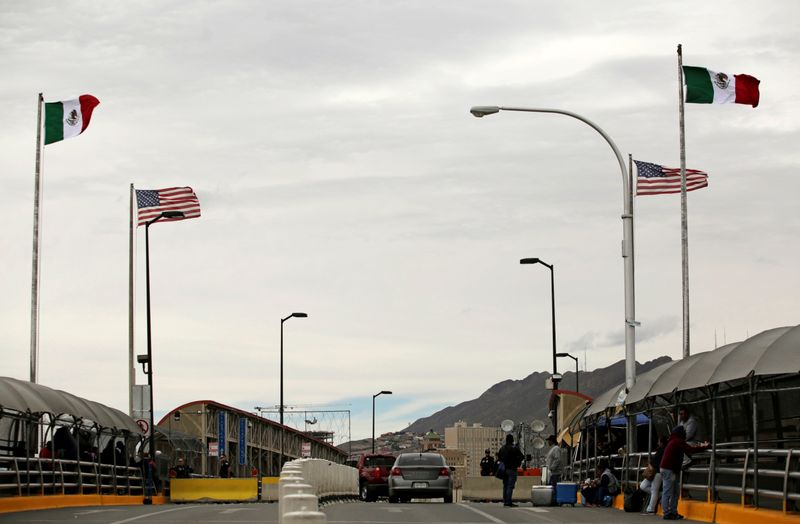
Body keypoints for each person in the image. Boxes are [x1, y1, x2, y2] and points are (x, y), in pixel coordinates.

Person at [660, 425, 709, 520]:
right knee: (668, 491)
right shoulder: (677, 441)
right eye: (683, 432)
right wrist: (705, 447)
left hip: (668, 469)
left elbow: (686, 450)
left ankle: (673, 512)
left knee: (674, 491)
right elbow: (690, 449)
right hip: (669, 469)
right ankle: (667, 513)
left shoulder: (673, 440)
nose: (685, 433)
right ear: (680, 433)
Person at [497, 434, 524, 507]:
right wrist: (516, 461)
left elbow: (498, 458)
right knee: (510, 486)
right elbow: (522, 456)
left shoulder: (502, 448)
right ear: (512, 440)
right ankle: (509, 501)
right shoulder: (514, 448)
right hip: (512, 469)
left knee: (505, 485)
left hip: (504, 470)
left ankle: (505, 501)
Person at [643, 435, 668, 515]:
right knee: (643, 486)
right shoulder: (660, 449)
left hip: (657, 472)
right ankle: (659, 495)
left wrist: (651, 464)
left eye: (659, 441)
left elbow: (657, 462)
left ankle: (651, 509)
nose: (658, 443)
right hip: (653, 471)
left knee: (654, 490)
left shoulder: (664, 450)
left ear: (662, 442)